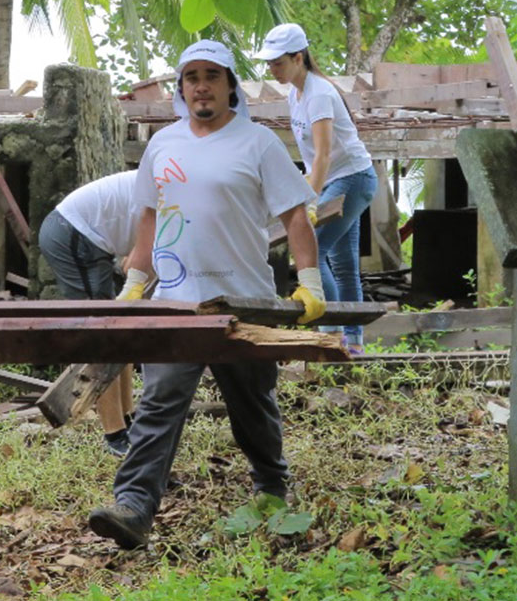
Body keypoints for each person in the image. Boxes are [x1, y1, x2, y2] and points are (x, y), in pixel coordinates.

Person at [87, 40, 327, 550]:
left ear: (230, 85)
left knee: (252, 404)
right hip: (177, 301)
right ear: (181, 88)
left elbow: (294, 217)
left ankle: (270, 488)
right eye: (191, 76)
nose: (201, 84)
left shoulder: (257, 143)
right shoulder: (163, 144)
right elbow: (149, 218)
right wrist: (135, 282)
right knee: (159, 404)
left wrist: (310, 283)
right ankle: (133, 506)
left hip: (244, 302)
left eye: (212, 75)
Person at [257, 23, 378, 356]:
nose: (272, 69)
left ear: (299, 58)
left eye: (278, 62)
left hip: (353, 178)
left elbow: (323, 154)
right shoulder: (296, 94)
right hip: (335, 179)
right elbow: (311, 159)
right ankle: (352, 343)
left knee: (313, 251)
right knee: (343, 263)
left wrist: (309, 200)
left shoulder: (320, 93)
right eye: (269, 63)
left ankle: (332, 336)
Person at [38, 170, 145, 457]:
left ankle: (129, 419)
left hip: (90, 239)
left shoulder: (180, 186)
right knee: (102, 335)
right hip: (73, 234)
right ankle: (115, 434)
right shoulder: (172, 185)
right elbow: (134, 264)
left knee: (119, 330)